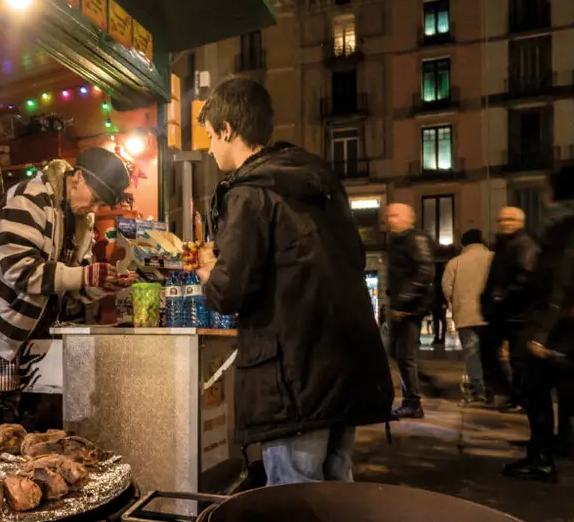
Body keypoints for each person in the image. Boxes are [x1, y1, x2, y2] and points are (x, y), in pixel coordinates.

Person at [194, 76, 393, 486]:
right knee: (338, 488)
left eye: (212, 137)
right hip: (346, 365)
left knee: (294, 496)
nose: (210, 148)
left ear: (229, 130)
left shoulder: (249, 192)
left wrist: (208, 272)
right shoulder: (319, 183)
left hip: (296, 378)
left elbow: (229, 291)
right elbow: (353, 259)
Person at [0, 146, 134, 430]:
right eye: (97, 200)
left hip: (36, 339)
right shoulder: (28, 199)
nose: (96, 210)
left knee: (31, 428)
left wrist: (103, 284)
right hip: (0, 335)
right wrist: (85, 276)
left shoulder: (80, 220)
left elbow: (74, 286)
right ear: (77, 178)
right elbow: (21, 271)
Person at [503, 165, 574, 482]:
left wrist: (542, 333)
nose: (545, 199)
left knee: (535, 387)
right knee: (565, 391)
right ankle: (556, 446)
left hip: (559, 325)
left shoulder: (567, 228)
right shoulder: (569, 225)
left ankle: (541, 459)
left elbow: (562, 281)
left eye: (548, 191)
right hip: (567, 325)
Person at [481, 206, 538, 411]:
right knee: (489, 351)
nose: (505, 223)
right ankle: (513, 394)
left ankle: (520, 398)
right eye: (502, 219)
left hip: (518, 313)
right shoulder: (504, 245)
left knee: (517, 359)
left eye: (510, 219)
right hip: (503, 312)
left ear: (520, 222)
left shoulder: (524, 244)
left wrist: (502, 295)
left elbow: (526, 276)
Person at [385, 203, 435, 419]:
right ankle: (419, 386)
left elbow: (425, 271)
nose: (390, 219)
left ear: (410, 218)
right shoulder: (398, 241)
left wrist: (403, 302)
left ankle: (412, 402)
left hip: (409, 309)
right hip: (402, 307)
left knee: (404, 355)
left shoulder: (414, 239)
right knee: (397, 353)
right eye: (388, 215)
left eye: (395, 215)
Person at [442, 229, 493, 404]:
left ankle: (479, 390)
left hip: (466, 314)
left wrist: (454, 302)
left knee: (472, 353)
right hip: (490, 314)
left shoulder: (455, 262)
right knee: (490, 353)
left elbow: (446, 287)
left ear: (464, 244)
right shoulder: (493, 258)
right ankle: (493, 388)